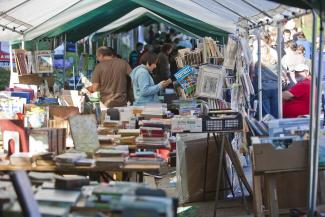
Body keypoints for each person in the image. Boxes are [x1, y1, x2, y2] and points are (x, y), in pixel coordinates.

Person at [252, 34, 279, 118]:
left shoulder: (256, 60)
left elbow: (252, 73)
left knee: (266, 115)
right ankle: (276, 129)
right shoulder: (274, 57)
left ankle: (267, 129)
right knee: (276, 112)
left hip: (263, 87)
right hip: (275, 87)